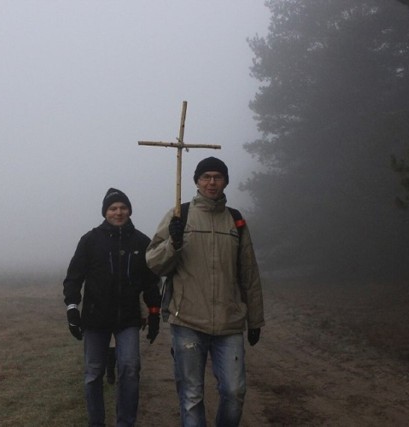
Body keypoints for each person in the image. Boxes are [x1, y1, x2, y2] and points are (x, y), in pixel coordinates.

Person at [146, 157, 265, 427]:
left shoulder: (236, 221)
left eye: (218, 177)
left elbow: (249, 273)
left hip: (229, 322)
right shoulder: (180, 215)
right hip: (187, 319)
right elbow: (154, 263)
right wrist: (173, 243)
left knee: (234, 393)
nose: (212, 182)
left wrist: (255, 320)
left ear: (225, 181)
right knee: (191, 396)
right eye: (206, 177)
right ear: (196, 181)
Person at [63, 188, 161, 427]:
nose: (118, 212)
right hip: (95, 318)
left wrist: (154, 312)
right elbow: (74, 277)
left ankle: (125, 423)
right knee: (93, 374)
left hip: (128, 318)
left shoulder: (141, 241)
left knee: (129, 369)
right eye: (113, 208)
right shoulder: (90, 240)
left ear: (129, 210)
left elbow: (150, 282)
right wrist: (72, 308)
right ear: (105, 212)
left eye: (123, 208)